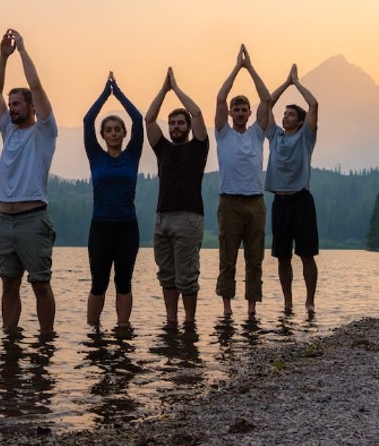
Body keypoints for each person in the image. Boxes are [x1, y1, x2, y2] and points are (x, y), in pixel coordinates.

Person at [0, 29, 58, 335]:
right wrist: (2, 57)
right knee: (8, 283)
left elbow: (36, 85)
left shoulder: (44, 132)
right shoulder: (8, 130)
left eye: (17, 103)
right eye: (11, 103)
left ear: (32, 108)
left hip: (33, 220)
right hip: (5, 219)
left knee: (40, 283)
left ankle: (45, 340)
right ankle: (10, 340)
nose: (11, 107)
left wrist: (23, 50)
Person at [145, 68, 209, 326]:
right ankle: (171, 320)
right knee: (167, 275)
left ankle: (189, 321)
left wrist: (177, 89)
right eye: (172, 123)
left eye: (180, 123)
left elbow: (197, 113)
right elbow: (149, 120)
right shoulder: (163, 148)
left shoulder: (198, 147)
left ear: (188, 126)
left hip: (188, 218)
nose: (175, 126)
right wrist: (163, 90)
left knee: (187, 276)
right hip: (162, 219)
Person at [83, 71, 144, 327]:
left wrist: (118, 93)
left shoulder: (132, 155)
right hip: (100, 226)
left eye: (118, 129)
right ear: (102, 134)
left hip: (127, 227)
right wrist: (104, 95)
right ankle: (93, 331)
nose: (114, 133)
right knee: (99, 283)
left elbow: (138, 119)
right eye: (108, 130)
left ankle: (122, 329)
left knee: (123, 281)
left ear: (124, 133)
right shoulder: (96, 156)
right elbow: (88, 120)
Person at [214, 45, 271, 318]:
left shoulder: (257, 133)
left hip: (255, 202)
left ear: (250, 113)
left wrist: (250, 67)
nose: (238, 112)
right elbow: (220, 97)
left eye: (243, 109)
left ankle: (251, 309)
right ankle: (226, 310)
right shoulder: (223, 133)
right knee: (227, 259)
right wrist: (236, 67)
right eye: (235, 109)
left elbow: (267, 99)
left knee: (255, 258)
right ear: (230, 114)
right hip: (229, 201)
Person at [265, 64, 319, 314]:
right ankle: (288, 301)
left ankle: (309, 301)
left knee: (307, 254)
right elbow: (266, 105)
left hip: (301, 200)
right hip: (280, 202)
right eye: (284, 114)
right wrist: (285, 83)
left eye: (289, 114)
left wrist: (296, 83)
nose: (285, 117)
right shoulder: (275, 135)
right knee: (282, 256)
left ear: (299, 121)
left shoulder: (306, 136)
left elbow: (314, 104)